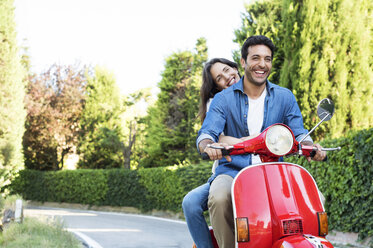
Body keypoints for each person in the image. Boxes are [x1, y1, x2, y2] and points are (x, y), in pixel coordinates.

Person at [196, 35, 327, 248]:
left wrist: (311, 146)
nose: (262, 64)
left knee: (315, 198)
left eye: (267, 59)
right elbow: (207, 132)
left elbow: (299, 132)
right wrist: (207, 145)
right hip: (233, 172)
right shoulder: (223, 99)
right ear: (243, 62)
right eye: (255, 58)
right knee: (219, 197)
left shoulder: (285, 97)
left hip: (275, 172)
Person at [182, 58, 245, 248]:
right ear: (217, 87)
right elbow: (218, 138)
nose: (227, 77)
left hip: (257, 169)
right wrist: (254, 140)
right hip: (228, 170)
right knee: (190, 203)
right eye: (219, 77)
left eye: (227, 70)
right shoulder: (218, 104)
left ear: (236, 68)